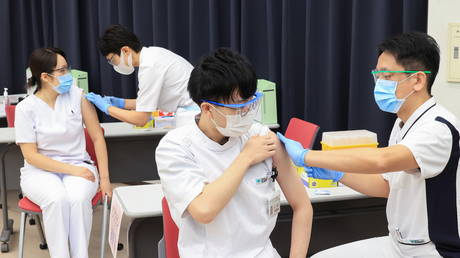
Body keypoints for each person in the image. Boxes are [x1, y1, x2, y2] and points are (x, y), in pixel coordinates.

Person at [278, 32, 460, 257]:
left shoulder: (438, 128)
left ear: (418, 80)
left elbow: (381, 160)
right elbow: (387, 186)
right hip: (398, 245)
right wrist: (337, 173)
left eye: (387, 76)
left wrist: (306, 156)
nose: (379, 84)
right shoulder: (403, 123)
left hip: (430, 251)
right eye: (378, 76)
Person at [155, 48, 312, 258]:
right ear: (208, 109)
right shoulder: (175, 147)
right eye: (237, 107)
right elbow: (204, 210)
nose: (245, 113)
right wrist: (246, 158)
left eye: (249, 103)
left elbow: (302, 205)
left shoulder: (261, 136)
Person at [15, 47, 112, 258]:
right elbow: (31, 156)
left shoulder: (77, 96)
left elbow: (97, 137)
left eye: (68, 68)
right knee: (57, 199)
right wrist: (71, 170)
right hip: (39, 172)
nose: (68, 74)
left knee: (77, 200)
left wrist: (104, 179)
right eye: (62, 70)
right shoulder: (26, 108)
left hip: (80, 165)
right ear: (45, 77)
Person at [86, 24, 198, 127]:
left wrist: (107, 108)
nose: (113, 65)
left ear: (125, 50)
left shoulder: (149, 67)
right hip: (194, 112)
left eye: (112, 60)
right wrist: (121, 103)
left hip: (192, 117)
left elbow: (141, 119)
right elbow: (146, 102)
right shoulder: (154, 53)